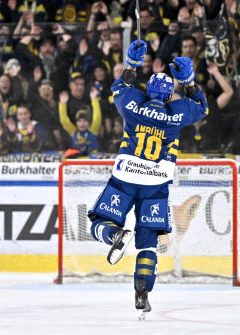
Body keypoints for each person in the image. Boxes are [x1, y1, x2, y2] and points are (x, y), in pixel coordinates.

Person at [87, 40, 207, 317]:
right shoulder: (176, 114)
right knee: (148, 241)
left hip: (126, 176)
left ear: (147, 90)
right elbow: (201, 108)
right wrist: (188, 82)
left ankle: (113, 234)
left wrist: (132, 65)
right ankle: (142, 290)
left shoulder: (132, 105)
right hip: (156, 185)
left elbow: (118, 88)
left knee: (99, 220)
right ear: (168, 96)